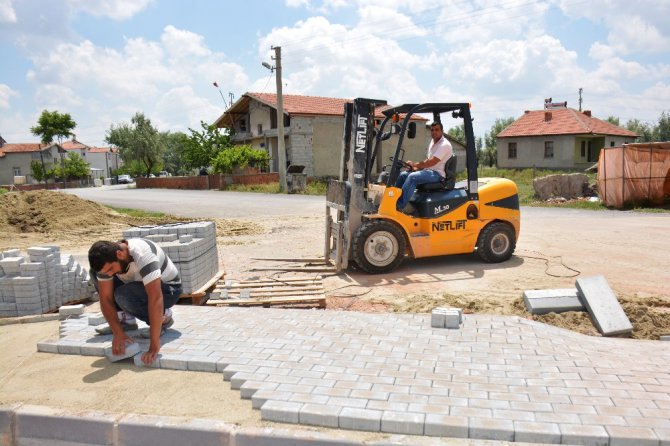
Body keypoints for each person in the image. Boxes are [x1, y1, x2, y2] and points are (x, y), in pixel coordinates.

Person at [88, 239, 182, 365]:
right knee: (96, 274)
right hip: (139, 284)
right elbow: (105, 299)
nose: (110, 273)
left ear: (119, 254)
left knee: (123, 295)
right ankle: (126, 321)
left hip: (168, 289)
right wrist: (118, 333)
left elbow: (155, 298)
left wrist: (154, 345)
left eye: (111, 268)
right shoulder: (111, 259)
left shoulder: (143, 255)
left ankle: (164, 316)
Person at [394, 122, 453, 213]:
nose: (434, 132)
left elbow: (431, 162)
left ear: (442, 131)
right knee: (403, 174)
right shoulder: (433, 142)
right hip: (429, 171)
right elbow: (427, 160)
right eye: (432, 130)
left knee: (412, 177)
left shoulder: (444, 145)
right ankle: (392, 201)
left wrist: (414, 164)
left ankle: (398, 206)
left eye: (437, 130)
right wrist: (415, 168)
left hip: (438, 175)